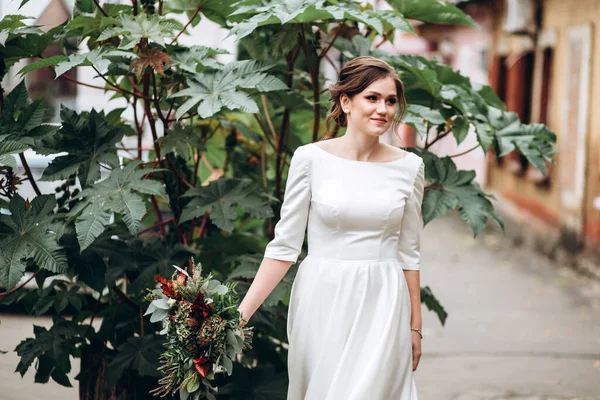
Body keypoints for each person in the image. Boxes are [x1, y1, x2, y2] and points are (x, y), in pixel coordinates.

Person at [238, 56, 425, 400]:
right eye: (372, 97)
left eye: (390, 100)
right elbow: (284, 247)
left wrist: (415, 326)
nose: (383, 109)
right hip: (322, 298)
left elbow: (409, 254)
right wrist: (238, 317)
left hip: (383, 300)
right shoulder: (310, 159)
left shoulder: (410, 167)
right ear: (345, 102)